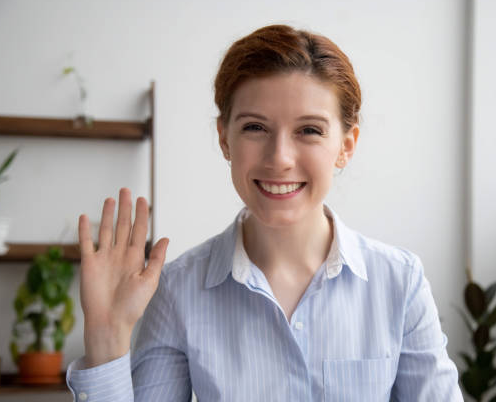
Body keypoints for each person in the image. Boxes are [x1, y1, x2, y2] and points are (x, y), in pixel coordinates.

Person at [66, 24, 463, 401]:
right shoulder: (178, 291)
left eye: (309, 130)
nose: (280, 159)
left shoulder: (399, 282)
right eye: (255, 128)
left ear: (347, 144)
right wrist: (107, 334)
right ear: (224, 138)